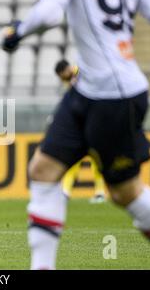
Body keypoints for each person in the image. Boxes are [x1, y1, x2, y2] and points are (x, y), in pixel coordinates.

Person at [2, 0, 150, 269]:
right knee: (42, 170)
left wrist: (19, 30)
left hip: (115, 97)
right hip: (88, 90)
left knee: (125, 191)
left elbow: (49, 14)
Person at [55, 60, 106, 203]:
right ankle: (65, 191)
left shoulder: (81, 72)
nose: (62, 79)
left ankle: (100, 192)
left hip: (94, 123)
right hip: (82, 125)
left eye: (61, 75)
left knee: (96, 160)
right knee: (74, 160)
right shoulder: (72, 79)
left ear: (65, 70)